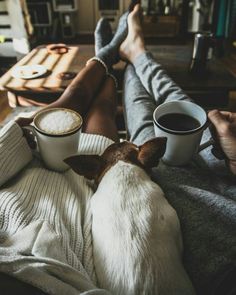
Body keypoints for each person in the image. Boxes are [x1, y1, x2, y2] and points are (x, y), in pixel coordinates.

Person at [0, 3, 235, 295]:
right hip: (179, 192)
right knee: (130, 104)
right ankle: (122, 54)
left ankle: (116, 55)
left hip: (65, 197)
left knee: (103, 103)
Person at [118, 4, 236, 295]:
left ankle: (134, 54)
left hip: (215, 228)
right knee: (176, 100)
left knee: (144, 117)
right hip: (225, 179)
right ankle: (137, 52)